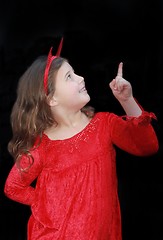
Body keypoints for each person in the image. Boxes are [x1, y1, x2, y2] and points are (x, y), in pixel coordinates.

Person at [4, 38, 159, 240]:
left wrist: (127, 101)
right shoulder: (42, 147)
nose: (81, 77)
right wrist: (45, 202)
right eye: (69, 76)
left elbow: (148, 147)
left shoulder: (105, 125)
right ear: (51, 99)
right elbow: (13, 187)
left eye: (75, 72)